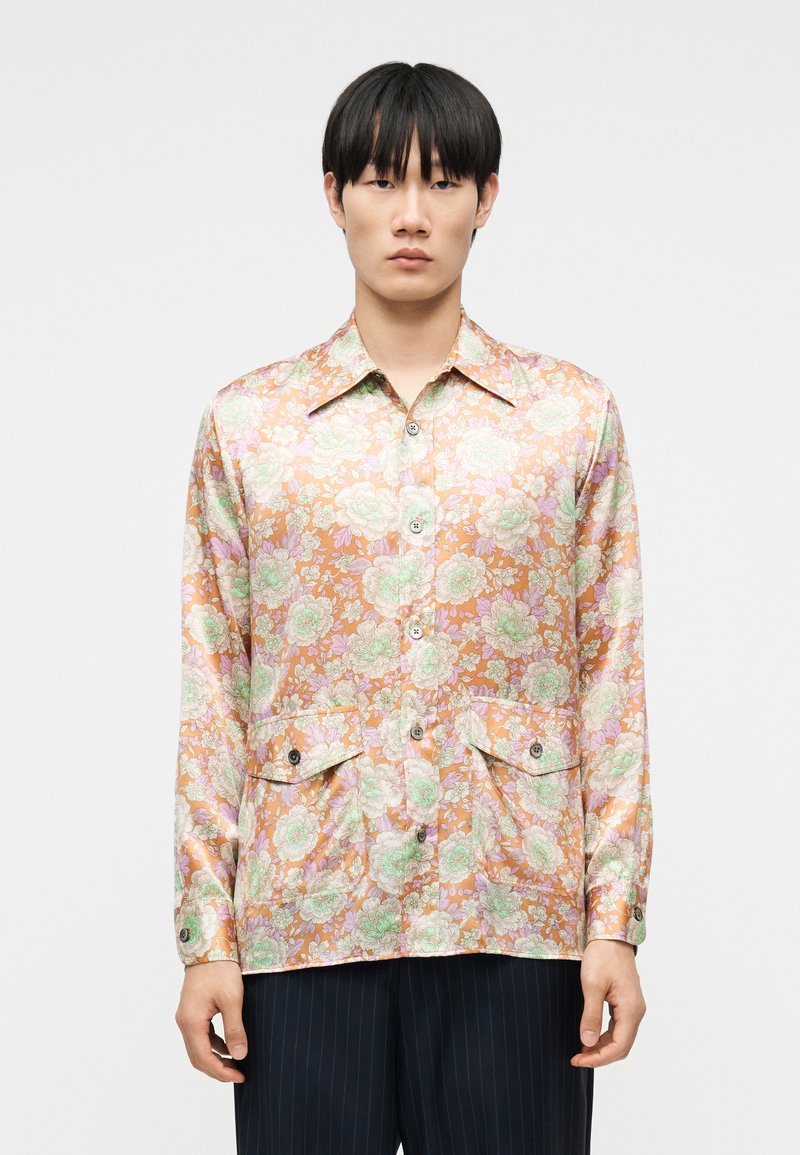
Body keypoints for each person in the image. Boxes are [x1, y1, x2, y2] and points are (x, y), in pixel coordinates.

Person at [173, 60, 653, 1155]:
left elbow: (610, 677)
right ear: (332, 194)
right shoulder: (250, 425)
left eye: (442, 182)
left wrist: (614, 921)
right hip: (302, 922)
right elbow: (214, 686)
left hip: (513, 915)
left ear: (487, 198)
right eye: (382, 180)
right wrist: (207, 936)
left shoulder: (568, 417)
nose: (410, 215)